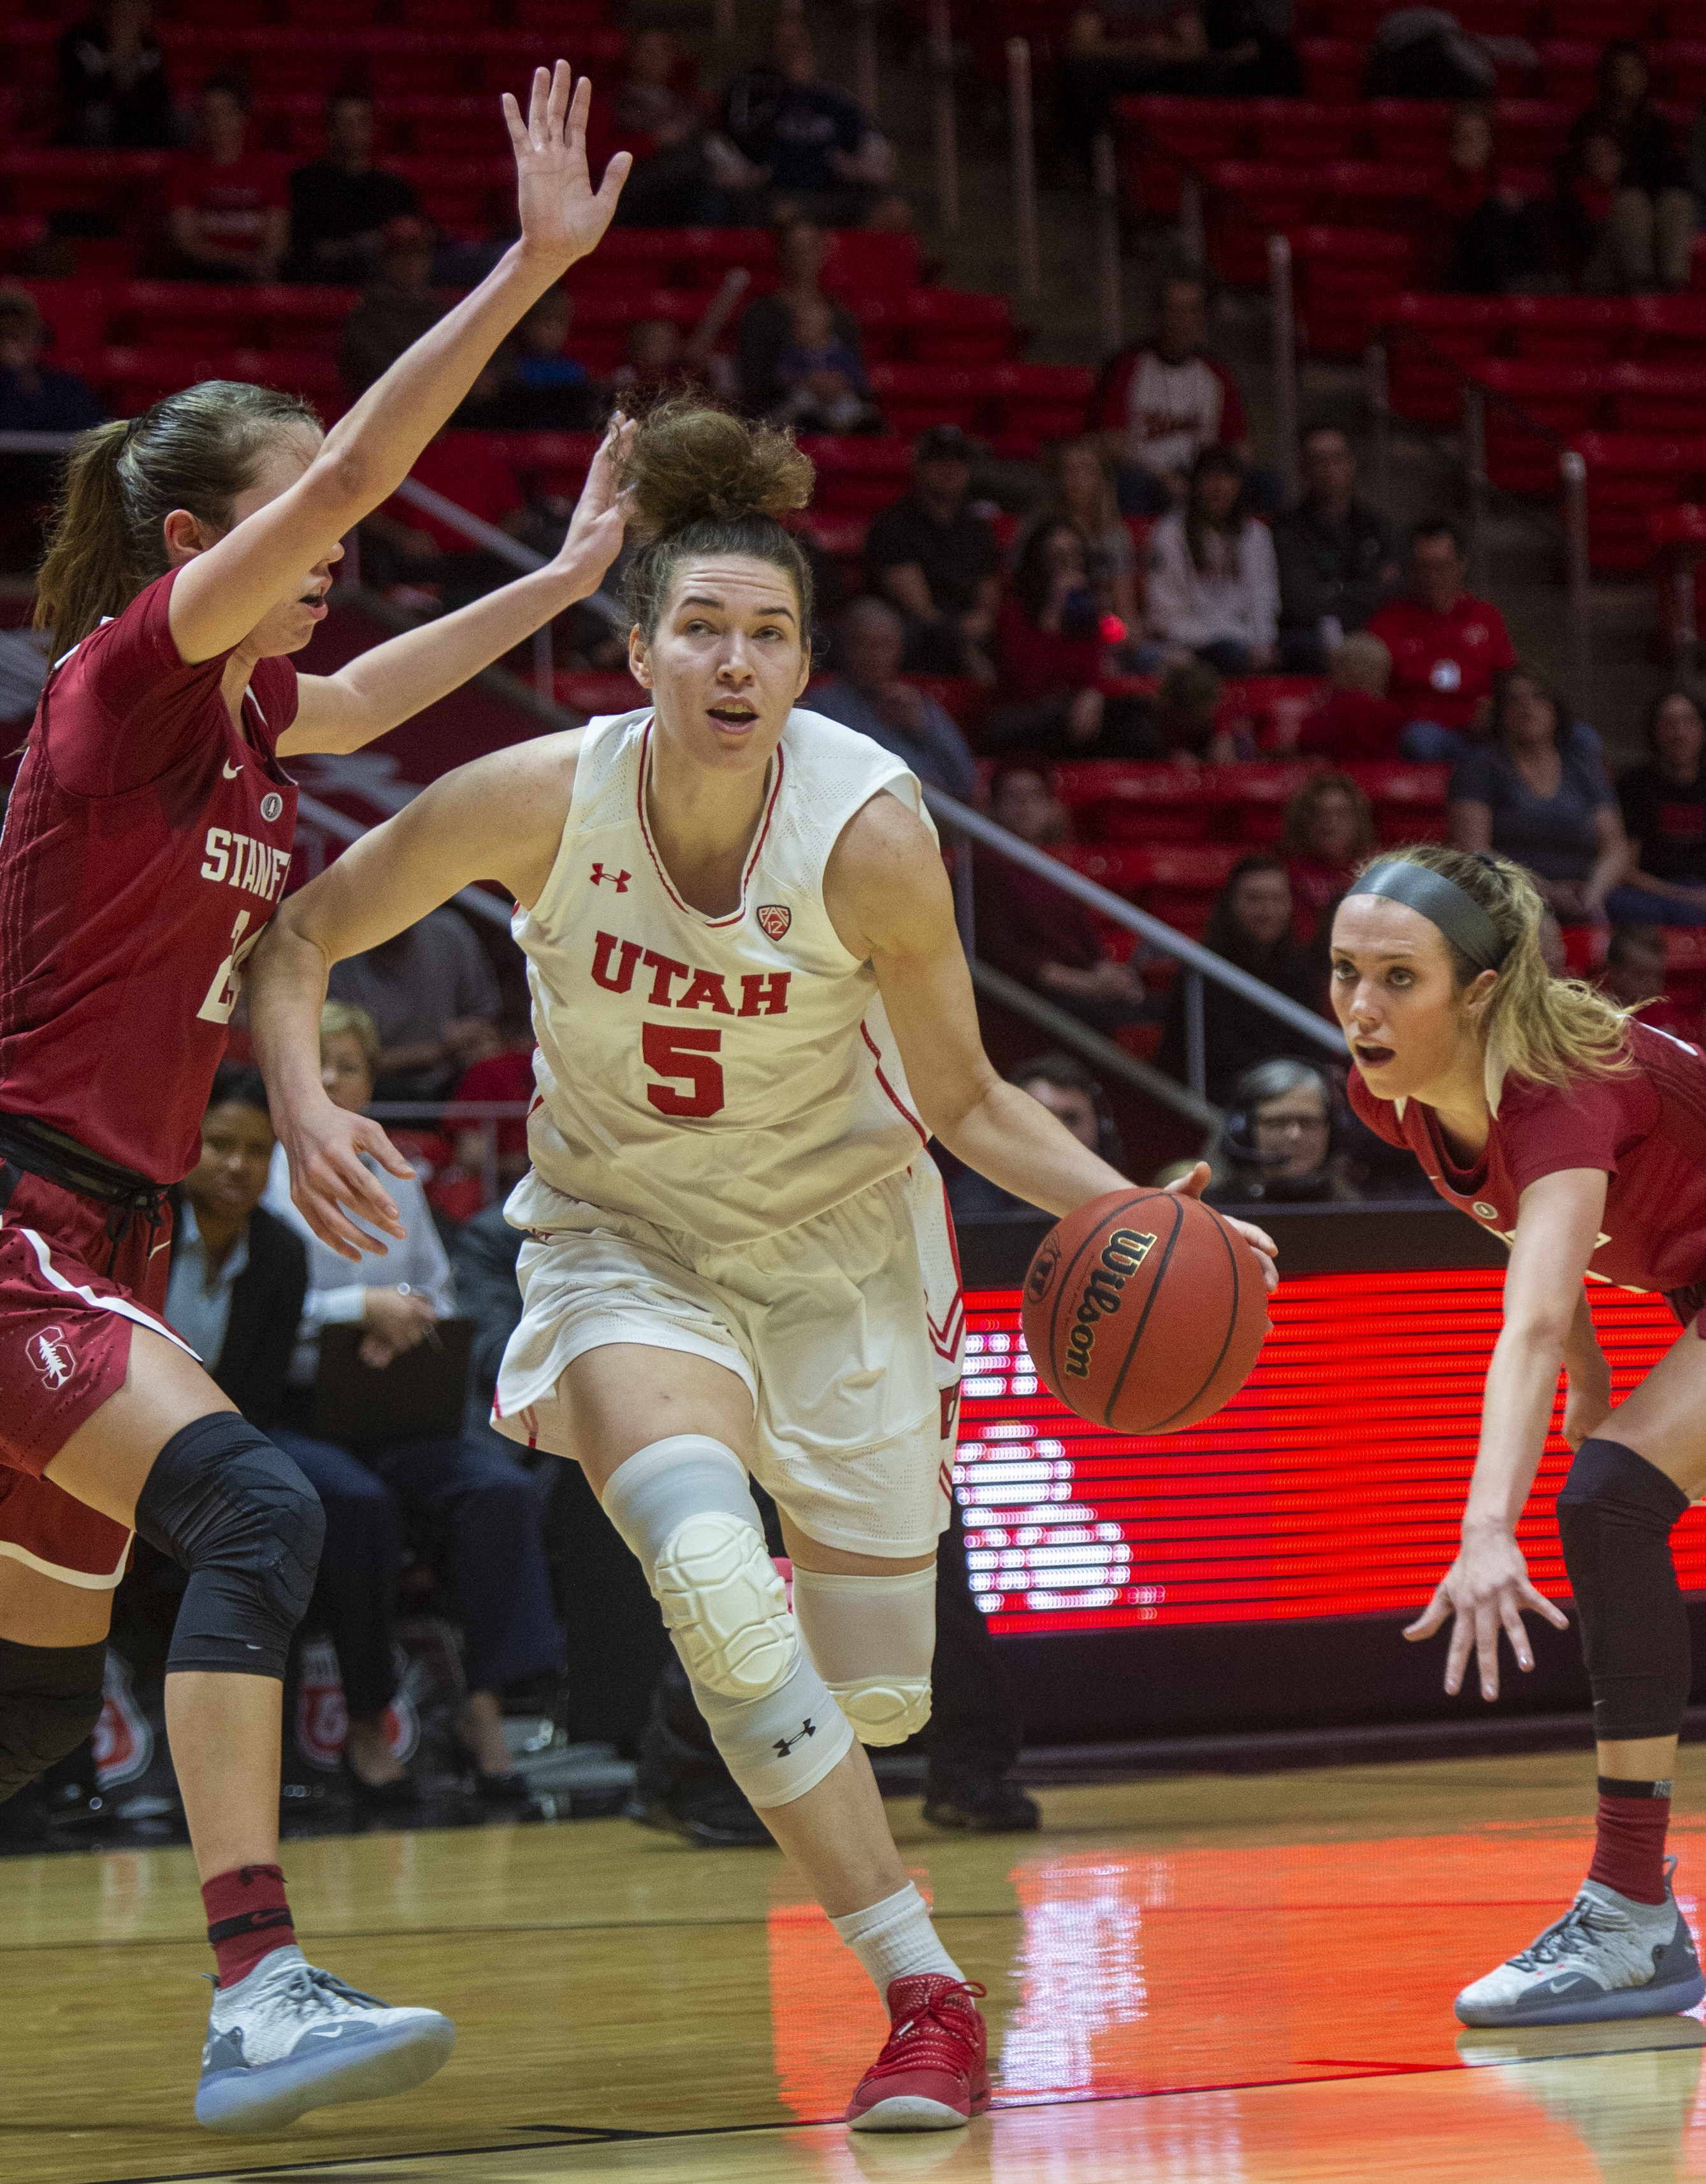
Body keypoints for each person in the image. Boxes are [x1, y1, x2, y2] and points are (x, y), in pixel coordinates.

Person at [247, 398, 1283, 2133]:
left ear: (805, 666)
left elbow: (956, 1093)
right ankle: (923, 1988)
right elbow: (301, 928)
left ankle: (840, 1756)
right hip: (622, 1242)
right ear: (639, 645)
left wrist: (1143, 1202)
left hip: (844, 1259)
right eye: (702, 629)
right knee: (717, 1589)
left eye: (770, 634)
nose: (735, 661)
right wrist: (294, 1093)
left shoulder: (872, 832)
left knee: (872, 1687)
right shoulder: (534, 795)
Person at [0, 59, 631, 2131]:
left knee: (17, 1725)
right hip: (12, 1209)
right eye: (297, 515)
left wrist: (558, 585)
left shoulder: (262, 728)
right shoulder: (121, 681)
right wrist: (529, 270)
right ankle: (257, 1976)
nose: (335, 544)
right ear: (206, 539)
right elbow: (359, 471)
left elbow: (362, 694)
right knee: (261, 1500)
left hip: (112, 1229)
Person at [1331, 843, 1706, 2029]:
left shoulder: (1561, 1084)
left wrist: (1485, 1527)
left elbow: (1533, 1315)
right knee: (1611, 1495)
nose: (1359, 1006)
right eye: (1343, 971)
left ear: (1480, 989)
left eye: (1398, 978)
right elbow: (1530, 1228)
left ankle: (1632, 1912)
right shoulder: (1392, 1090)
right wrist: (1598, 1379)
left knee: (1603, 1501)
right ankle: (1635, 1913)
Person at [263, 1003, 562, 1806]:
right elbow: (253, 1317)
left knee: (495, 1488)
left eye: (350, 1065)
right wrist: (358, 1308)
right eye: (316, 1061)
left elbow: (435, 1289)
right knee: (356, 1507)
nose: (331, 1078)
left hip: (395, 1397)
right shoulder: (263, 1169)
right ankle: (365, 1720)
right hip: (293, 1410)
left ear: (370, 1078)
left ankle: (485, 1708)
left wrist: (405, 1318)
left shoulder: (396, 1169)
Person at [166, 1065, 310, 1433]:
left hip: (221, 1441)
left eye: (257, 1151)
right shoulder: (142, 1227)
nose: (238, 1165)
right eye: (220, 1144)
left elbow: (261, 1397)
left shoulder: (283, 1253)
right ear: (187, 1143)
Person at [975, 763, 1150, 1035]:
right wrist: (1092, 984)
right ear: (994, 807)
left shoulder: (1053, 868)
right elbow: (1007, 957)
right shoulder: (983, 869)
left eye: (1036, 797)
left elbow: (1084, 938)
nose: (1026, 807)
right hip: (1034, 998)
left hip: (1081, 987)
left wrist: (1109, 973)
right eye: (1014, 798)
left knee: (1167, 1009)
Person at [1449, 664, 1628, 925]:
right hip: (1508, 894)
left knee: (1644, 938)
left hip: (1586, 894)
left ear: (1555, 710)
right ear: (1500, 713)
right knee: (1541, 927)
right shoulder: (1479, 767)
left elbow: (1616, 847)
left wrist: (1593, 894)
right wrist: (1546, 892)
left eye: (1538, 697)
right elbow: (1475, 853)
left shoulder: (1583, 768)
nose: (1527, 707)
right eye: (1515, 700)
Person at [1157, 854, 1328, 1102]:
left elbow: (1310, 1049)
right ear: (1230, 904)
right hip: (1220, 1096)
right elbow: (1215, 1059)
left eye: (1278, 899)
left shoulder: (1303, 968)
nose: (1268, 911)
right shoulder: (1202, 971)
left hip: (1289, 1089)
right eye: (1254, 899)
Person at [1088, 273, 1255, 519]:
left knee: (1265, 481)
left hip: (1202, 479)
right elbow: (1111, 444)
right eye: (1174, 310)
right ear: (1158, 315)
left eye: (1191, 311)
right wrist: (1163, 477)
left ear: (1202, 319)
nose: (1183, 320)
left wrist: (1211, 479)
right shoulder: (1128, 366)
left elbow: (1240, 446)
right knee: (1131, 481)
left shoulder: (1218, 372)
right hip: (1146, 476)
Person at [721, 20, 899, 229]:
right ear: (767, 50)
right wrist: (794, 91)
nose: (791, 52)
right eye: (783, 44)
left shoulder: (834, 98)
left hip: (834, 191)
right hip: (777, 191)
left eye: (797, 45)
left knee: (893, 212)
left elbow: (860, 141)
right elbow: (751, 143)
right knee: (787, 216)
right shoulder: (750, 92)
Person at [1366, 517, 1516, 759]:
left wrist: (1496, 711)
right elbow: (1370, 696)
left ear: (1461, 564)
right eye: (1422, 567)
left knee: (1582, 738)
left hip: (1482, 730)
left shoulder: (1486, 616)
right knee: (1420, 740)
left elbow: (1509, 678)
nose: (1431, 576)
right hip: (1424, 731)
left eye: (1441, 566)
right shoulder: (1386, 621)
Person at [864, 424, 1002, 679]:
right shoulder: (894, 524)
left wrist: (978, 625)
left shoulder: (978, 528)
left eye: (958, 461)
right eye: (939, 460)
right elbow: (921, 610)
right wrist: (960, 636)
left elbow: (989, 600)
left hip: (970, 630)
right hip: (919, 634)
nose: (950, 469)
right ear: (920, 467)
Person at [809, 598, 978, 801]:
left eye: (885, 645)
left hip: (934, 818)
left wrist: (923, 728)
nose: (874, 656)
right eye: (864, 644)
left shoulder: (918, 704)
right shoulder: (822, 705)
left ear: (899, 651)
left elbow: (966, 781)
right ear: (845, 647)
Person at [327, 907, 500, 1103]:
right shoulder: (337, 951)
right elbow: (347, 1061)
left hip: (451, 1087)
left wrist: (473, 1040)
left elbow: (487, 1028)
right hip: (369, 1097)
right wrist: (441, 1049)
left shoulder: (449, 933)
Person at [1563, 41, 1693, 296]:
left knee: (1677, 202)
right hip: (1601, 241)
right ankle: (1643, 290)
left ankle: (1674, 287)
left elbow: (1668, 179)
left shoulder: (1657, 128)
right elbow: (1572, 204)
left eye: (1636, 71)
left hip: (1652, 232)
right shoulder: (1588, 127)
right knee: (1630, 204)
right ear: (1608, 76)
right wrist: (1604, 184)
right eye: (1622, 70)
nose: (1629, 79)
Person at [1272, 427, 1401, 672]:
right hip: (1313, 640)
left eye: (1336, 459)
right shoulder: (1286, 530)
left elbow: (1391, 591)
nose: (1328, 469)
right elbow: (1299, 601)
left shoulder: (1377, 526)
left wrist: (1335, 591)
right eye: (1318, 462)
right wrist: (1362, 592)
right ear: (1304, 469)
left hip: (1373, 632)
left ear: (1350, 464)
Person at [1145, 447, 1279, 675]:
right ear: (1195, 484)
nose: (1219, 487)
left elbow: (1264, 598)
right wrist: (1222, 637)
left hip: (1247, 642)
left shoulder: (1256, 535)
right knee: (1231, 655)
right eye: (1210, 478)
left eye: (1227, 478)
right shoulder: (1169, 534)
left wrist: (1263, 642)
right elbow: (1164, 613)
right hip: (1190, 644)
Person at [0, 289, 107, 571]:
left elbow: (91, 434)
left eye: (20, 332)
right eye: (4, 333)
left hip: (63, 490)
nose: (13, 341)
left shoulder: (67, 388)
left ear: (39, 336)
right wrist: (13, 378)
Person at [947, 1052, 1122, 1223]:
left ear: (1100, 1133)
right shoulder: (964, 1211)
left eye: (1071, 1118)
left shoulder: (1113, 1217)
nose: (1057, 1133)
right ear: (1003, 1124)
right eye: (1040, 1115)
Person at [287, 90, 423, 287]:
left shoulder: (393, 187)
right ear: (330, 129)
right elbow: (306, 251)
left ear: (371, 129)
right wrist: (356, 246)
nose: (352, 131)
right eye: (345, 122)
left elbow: (415, 236)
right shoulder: (306, 183)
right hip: (327, 277)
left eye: (360, 122)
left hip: (388, 274)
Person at [168, 71, 291, 285]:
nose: (217, 122)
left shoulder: (268, 171)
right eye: (210, 114)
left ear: (242, 117)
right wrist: (238, 261)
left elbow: (276, 237)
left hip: (256, 275)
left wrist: (261, 264)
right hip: (205, 273)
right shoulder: (184, 170)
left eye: (225, 113)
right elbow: (187, 239)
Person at [736, 219, 865, 416]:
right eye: (797, 249)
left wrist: (839, 383)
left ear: (823, 253)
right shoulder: (760, 314)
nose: (804, 257)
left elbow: (857, 374)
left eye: (811, 248)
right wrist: (801, 382)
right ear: (782, 254)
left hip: (838, 411)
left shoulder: (841, 316)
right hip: (782, 414)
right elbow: (753, 380)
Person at [1013, 438, 1141, 634]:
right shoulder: (1036, 526)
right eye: (1071, 470)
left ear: (1102, 479)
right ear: (1059, 477)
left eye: (1087, 470)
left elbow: (1124, 613)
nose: (1078, 479)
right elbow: (1017, 592)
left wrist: (1111, 633)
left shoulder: (1115, 536)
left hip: (1098, 631)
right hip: (1041, 630)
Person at [1609, 689, 1706, 928]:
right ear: (1655, 731)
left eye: (1689, 722)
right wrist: (1690, 898)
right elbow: (1626, 871)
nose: (1680, 733)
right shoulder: (1634, 783)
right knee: (1618, 903)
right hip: (1653, 892)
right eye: (1670, 723)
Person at [1204, 1056, 1357, 1205]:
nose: (1294, 1135)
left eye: (1308, 1121)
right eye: (1276, 1122)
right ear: (1242, 1132)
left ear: (1333, 1131)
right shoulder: (1208, 1212)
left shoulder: (1355, 1210)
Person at [1434, 101, 1547, 296]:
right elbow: (1451, 240)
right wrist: (1471, 175)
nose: (1472, 144)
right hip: (1461, 278)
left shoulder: (1506, 182)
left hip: (1507, 274)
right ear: (1453, 144)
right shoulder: (1442, 187)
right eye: (1464, 137)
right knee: (1494, 212)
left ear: (1491, 142)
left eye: (1479, 136)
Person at [338, 219, 446, 398]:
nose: (410, 264)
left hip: (440, 400)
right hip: (386, 404)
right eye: (401, 255)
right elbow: (366, 366)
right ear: (386, 261)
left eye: (418, 255)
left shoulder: (441, 309)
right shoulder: (368, 312)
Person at [57, 0, 174, 150]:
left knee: (175, 123)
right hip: (92, 118)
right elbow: (78, 93)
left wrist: (130, 58)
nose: (130, 15)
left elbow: (162, 98)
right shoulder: (78, 40)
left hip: (137, 117)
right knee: (97, 120)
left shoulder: (150, 45)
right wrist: (116, 56)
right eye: (125, 8)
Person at [1282, 771, 1377, 949]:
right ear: (1304, 821)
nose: (1330, 823)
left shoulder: (1376, 873)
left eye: (1341, 814)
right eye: (1320, 814)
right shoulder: (1282, 871)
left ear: (1358, 821)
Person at [769, 296, 886, 437]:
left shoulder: (841, 353)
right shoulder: (793, 352)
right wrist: (808, 381)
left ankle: (845, 438)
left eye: (807, 324)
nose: (799, 328)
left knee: (852, 407)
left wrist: (839, 383)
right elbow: (782, 378)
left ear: (824, 326)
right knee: (797, 404)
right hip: (806, 403)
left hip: (838, 402)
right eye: (798, 324)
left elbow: (860, 381)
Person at [1296, 633, 1408, 765]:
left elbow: (1307, 740)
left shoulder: (1333, 707)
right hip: (1380, 778)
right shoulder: (1391, 712)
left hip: (1339, 778)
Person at [1598, 924, 1695, 1041]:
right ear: (1612, 973)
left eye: (1658, 975)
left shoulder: (1664, 1010)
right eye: (1641, 975)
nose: (1652, 984)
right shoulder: (1596, 1012)